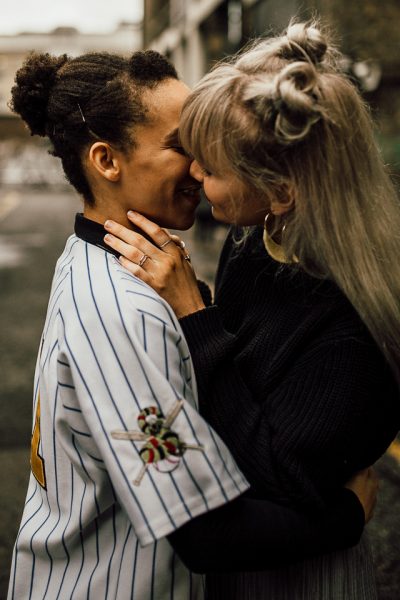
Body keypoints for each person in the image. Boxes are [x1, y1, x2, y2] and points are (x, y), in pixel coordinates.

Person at [7, 49, 375, 600]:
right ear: (107, 161)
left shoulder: (96, 260)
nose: (201, 166)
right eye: (183, 146)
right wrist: (347, 516)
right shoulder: (128, 313)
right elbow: (206, 531)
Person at [103, 20, 400, 599]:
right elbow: (246, 370)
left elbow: (273, 473)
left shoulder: (353, 326)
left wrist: (195, 314)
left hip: (303, 574)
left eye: (212, 168)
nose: (193, 173)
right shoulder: (256, 237)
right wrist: (197, 303)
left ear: (282, 191)